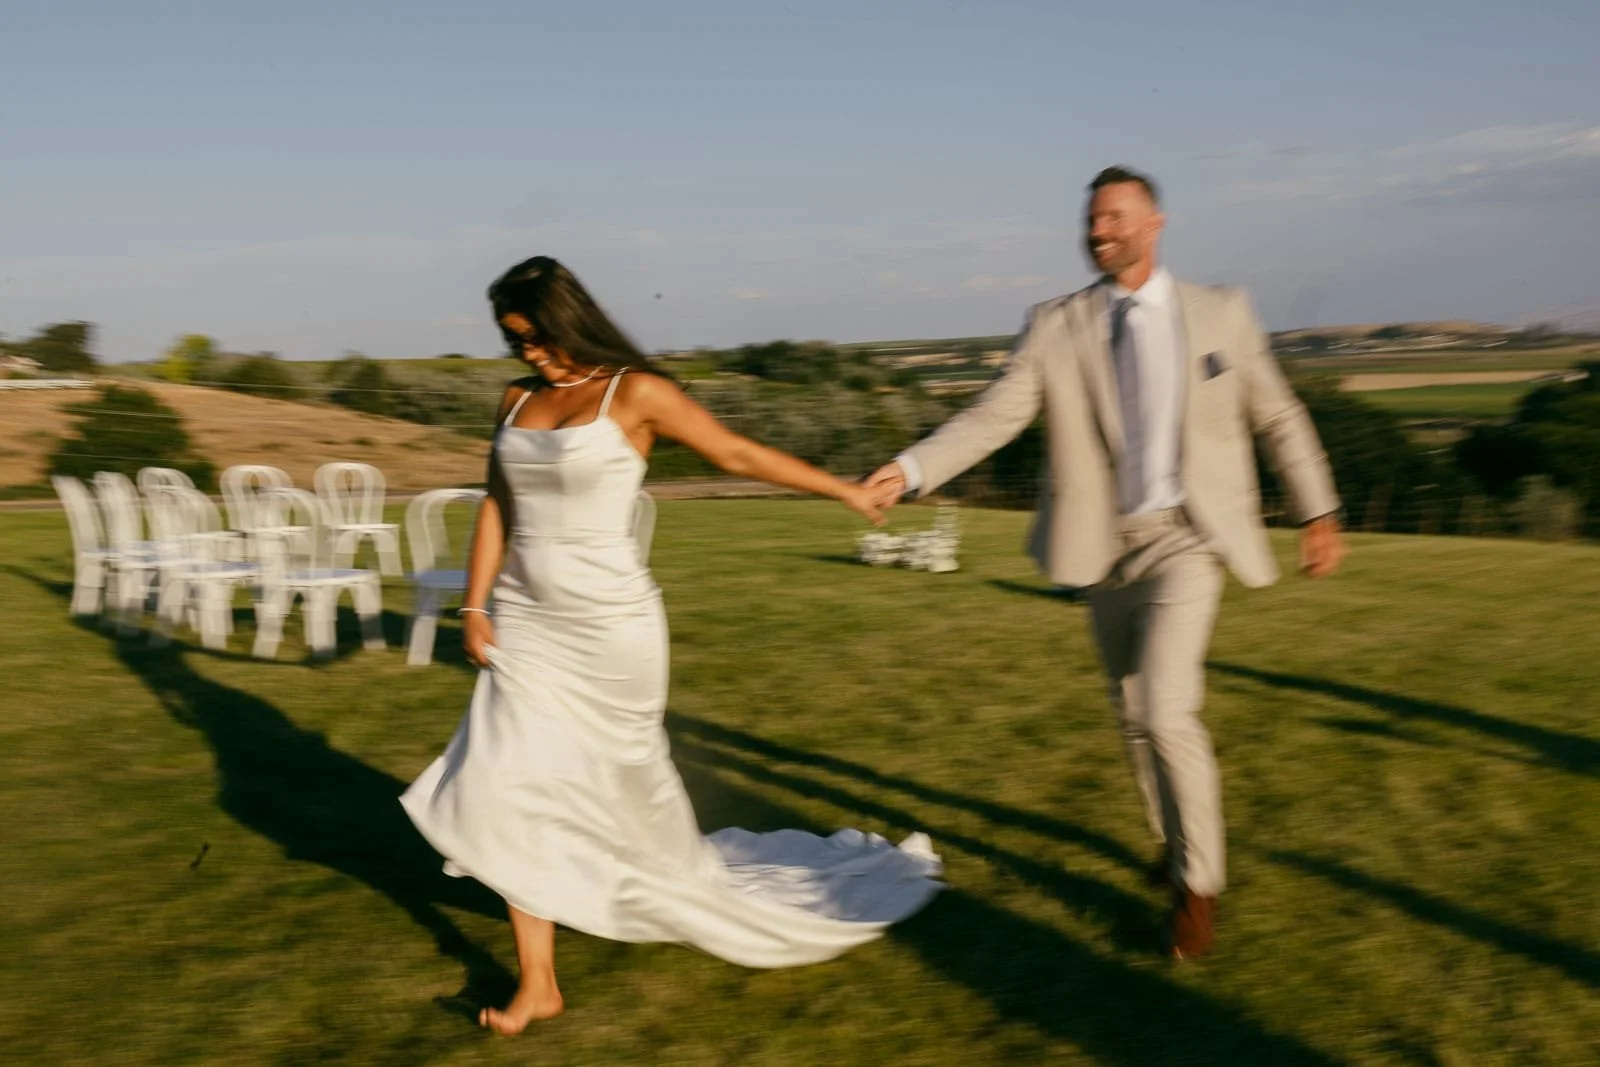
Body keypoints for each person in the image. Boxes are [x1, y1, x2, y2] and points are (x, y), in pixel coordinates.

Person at [402, 256, 942, 1034]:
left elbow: (738, 454)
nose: (529, 353)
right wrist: (476, 604)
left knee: (618, 790)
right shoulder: (516, 399)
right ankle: (539, 983)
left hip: (609, 629)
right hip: (526, 622)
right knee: (508, 783)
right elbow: (498, 504)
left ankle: (639, 890)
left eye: (536, 336)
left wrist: (845, 490)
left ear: (567, 319)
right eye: (514, 341)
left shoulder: (637, 393)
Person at [864, 166, 1345, 961]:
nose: (1098, 232)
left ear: (1155, 223)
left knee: (1165, 708)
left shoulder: (1221, 311)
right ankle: (1171, 841)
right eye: (1092, 220)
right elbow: (995, 415)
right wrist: (911, 469)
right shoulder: (1054, 323)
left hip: (1188, 537)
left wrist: (1317, 510)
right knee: (1130, 709)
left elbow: (1278, 413)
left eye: (1115, 217)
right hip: (1102, 544)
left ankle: (1198, 887)